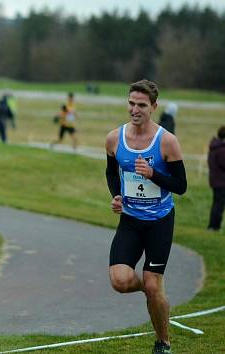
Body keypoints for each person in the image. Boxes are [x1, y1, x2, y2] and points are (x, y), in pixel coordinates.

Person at [105, 79, 187, 354]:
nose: (134, 109)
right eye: (131, 103)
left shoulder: (166, 142)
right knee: (119, 280)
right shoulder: (114, 138)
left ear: (153, 107)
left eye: (141, 105)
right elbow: (111, 172)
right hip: (130, 219)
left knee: (154, 282)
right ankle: (150, 290)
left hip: (159, 221)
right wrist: (116, 196)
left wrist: (154, 174)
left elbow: (181, 185)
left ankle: (163, 343)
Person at [207, 126, 225, 232]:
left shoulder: (214, 147)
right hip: (221, 182)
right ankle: (215, 227)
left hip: (215, 180)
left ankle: (212, 225)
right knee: (219, 205)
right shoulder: (222, 150)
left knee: (216, 204)